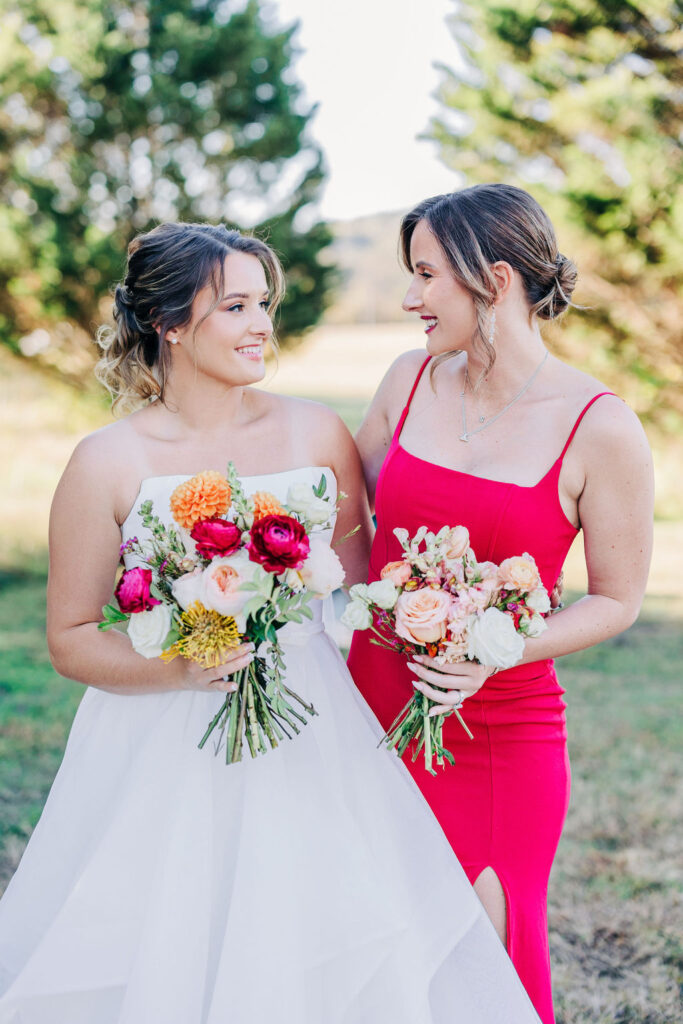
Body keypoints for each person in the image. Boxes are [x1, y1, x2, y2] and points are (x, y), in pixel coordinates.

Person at [0, 221, 540, 1024]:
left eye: (266, 304)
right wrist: (180, 668)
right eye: (236, 307)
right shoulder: (105, 462)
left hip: (310, 728)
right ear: (171, 324)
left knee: (316, 933)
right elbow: (71, 637)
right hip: (158, 734)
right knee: (164, 934)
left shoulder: (315, 431)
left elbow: (359, 595)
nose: (262, 326)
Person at [347, 184, 654, 1024]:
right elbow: (347, 523)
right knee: (371, 945)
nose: (409, 299)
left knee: (477, 957)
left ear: (496, 278)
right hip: (367, 706)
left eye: (426, 276)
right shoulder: (407, 380)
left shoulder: (599, 425)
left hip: (499, 728)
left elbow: (618, 599)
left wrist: (500, 648)